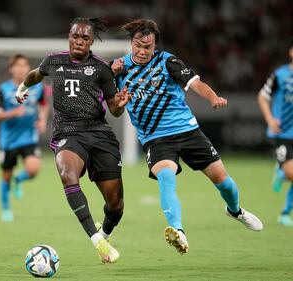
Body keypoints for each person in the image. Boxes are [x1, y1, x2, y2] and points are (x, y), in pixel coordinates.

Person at [112, 19, 263, 255]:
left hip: (187, 131)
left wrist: (213, 98)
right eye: (137, 45)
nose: (142, 51)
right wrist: (119, 103)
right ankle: (177, 231)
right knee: (166, 177)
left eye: (147, 47)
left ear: (155, 46)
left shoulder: (167, 61)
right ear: (131, 43)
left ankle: (235, 211)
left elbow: (195, 83)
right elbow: (115, 108)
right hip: (155, 138)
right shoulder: (118, 69)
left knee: (224, 182)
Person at [15, 17, 130, 263]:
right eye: (75, 36)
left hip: (99, 134)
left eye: (85, 38)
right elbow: (36, 74)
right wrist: (22, 88)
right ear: (69, 37)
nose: (79, 41)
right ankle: (95, 240)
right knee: (67, 174)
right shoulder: (53, 61)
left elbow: (114, 108)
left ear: (91, 42)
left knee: (116, 204)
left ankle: (106, 232)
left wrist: (120, 106)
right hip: (68, 133)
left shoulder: (101, 69)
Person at [0, 54, 49, 222]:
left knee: (33, 170)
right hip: (8, 140)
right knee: (5, 176)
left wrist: (42, 120)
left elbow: (43, 104)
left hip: (29, 137)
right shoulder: (3, 89)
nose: (22, 69)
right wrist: (13, 113)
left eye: (25, 65)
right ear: (11, 69)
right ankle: (6, 208)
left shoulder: (36, 86)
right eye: (18, 65)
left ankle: (19, 179)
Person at [258, 42, 293, 226]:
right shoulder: (280, 75)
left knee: (290, 174)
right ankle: (285, 214)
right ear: (291, 52)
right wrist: (270, 119)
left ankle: (281, 173)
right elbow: (262, 96)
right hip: (283, 134)